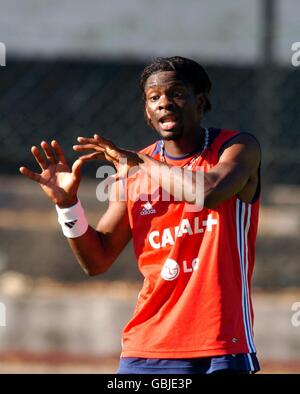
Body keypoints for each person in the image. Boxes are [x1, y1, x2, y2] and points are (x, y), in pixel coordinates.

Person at [20, 56, 261, 374]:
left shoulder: (236, 147)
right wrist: (67, 205)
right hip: (145, 349)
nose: (164, 103)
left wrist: (138, 162)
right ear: (147, 113)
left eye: (176, 93)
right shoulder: (133, 169)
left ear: (200, 101)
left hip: (219, 346)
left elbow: (208, 192)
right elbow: (97, 260)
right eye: (154, 98)